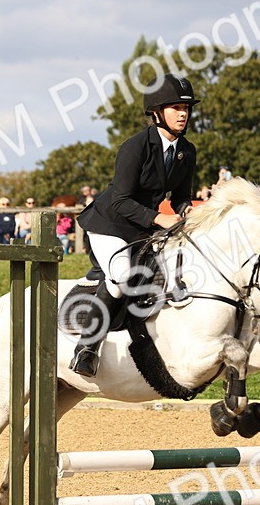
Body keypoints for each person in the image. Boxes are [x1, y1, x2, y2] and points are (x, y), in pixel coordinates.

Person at [72, 73, 199, 376]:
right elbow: (119, 200)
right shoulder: (135, 147)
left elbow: (181, 198)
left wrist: (189, 213)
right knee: (122, 275)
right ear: (156, 112)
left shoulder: (187, 151)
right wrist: (159, 217)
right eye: (174, 107)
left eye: (186, 108)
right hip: (108, 225)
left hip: (144, 228)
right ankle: (86, 348)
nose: (182, 113)